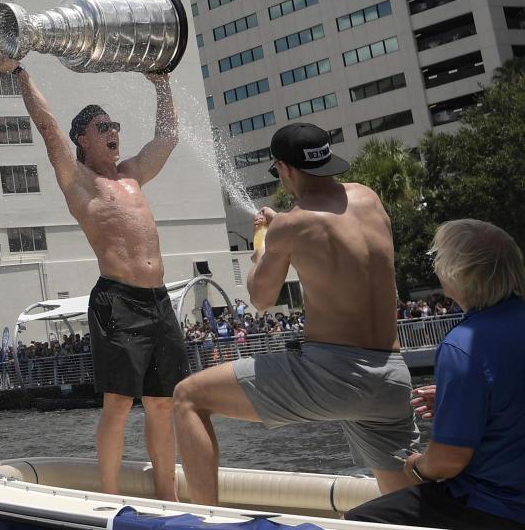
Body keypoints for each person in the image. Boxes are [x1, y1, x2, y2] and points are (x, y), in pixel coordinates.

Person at [172, 122, 419, 505]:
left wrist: (264, 248)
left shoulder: (290, 225)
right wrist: (281, 230)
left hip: (333, 376)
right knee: (411, 505)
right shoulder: (368, 198)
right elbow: (330, 233)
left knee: (188, 396)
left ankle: (207, 520)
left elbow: (261, 298)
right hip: (391, 374)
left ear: (285, 169)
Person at [0, 57, 189, 501]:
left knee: (163, 404)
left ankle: (167, 496)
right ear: (83, 139)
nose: (112, 131)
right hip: (117, 301)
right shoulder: (78, 180)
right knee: (118, 404)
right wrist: (21, 73)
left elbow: (168, 137)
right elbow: (47, 127)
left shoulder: (133, 174)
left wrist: (162, 85)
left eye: (114, 124)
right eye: (102, 126)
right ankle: (110, 497)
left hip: (158, 301)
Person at [346, 219, 525, 529]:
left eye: (437, 257)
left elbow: (449, 461)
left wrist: (418, 467)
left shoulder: (464, 346)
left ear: (456, 274)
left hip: (498, 505)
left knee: (358, 521)